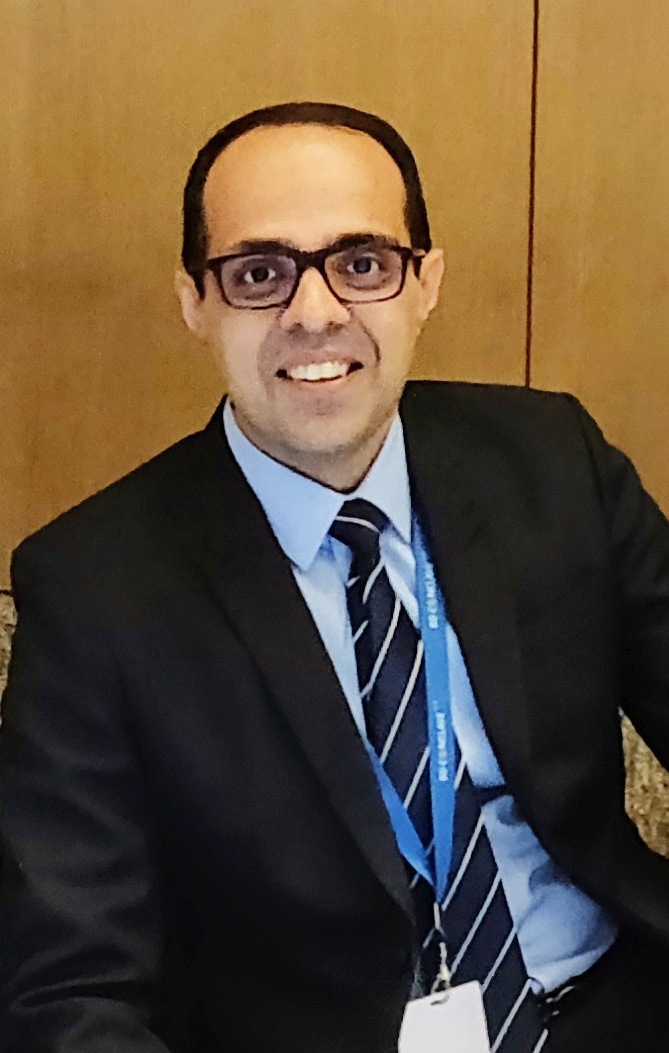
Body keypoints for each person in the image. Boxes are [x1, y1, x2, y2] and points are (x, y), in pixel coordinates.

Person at [1, 101, 669, 1053]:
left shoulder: (551, 462)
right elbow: (70, 981)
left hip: (612, 1008)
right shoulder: (95, 586)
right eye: (259, 272)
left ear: (425, 284)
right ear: (194, 302)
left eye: (362, 264)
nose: (314, 313)